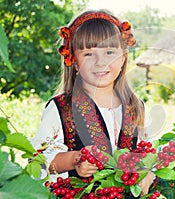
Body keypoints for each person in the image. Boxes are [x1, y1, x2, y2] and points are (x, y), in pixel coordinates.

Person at [30, 9, 154, 197]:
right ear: (74, 60)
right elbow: (36, 162)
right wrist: (74, 160)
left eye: (109, 52)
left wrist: (148, 174)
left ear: (123, 57)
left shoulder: (135, 106)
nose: (100, 62)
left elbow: (146, 154)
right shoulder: (61, 109)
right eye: (88, 54)